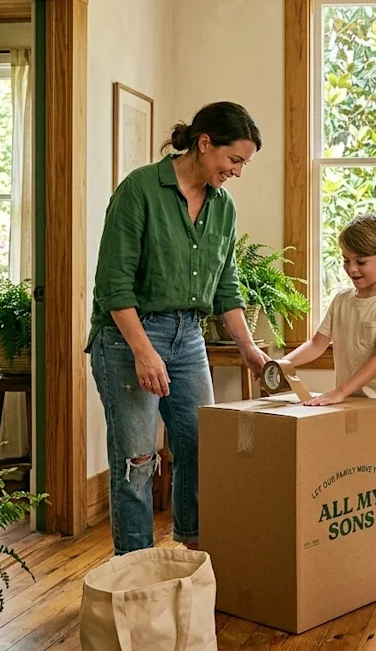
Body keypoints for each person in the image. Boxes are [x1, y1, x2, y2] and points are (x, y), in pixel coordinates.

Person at [88, 101, 267, 555]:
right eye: (234, 160)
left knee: (199, 449)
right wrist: (144, 353)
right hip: (128, 338)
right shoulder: (140, 190)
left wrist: (249, 349)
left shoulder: (222, 208)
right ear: (204, 144)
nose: (238, 172)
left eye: (243, 163)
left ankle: (190, 553)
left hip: (188, 337)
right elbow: (113, 286)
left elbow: (225, 285)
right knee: (138, 460)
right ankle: (137, 566)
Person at [282, 213, 376, 579]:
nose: (352, 269)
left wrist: (339, 391)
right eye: (345, 260)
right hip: (350, 410)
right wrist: (284, 363)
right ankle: (357, 548)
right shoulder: (341, 300)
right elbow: (317, 343)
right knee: (352, 481)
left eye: (361, 262)